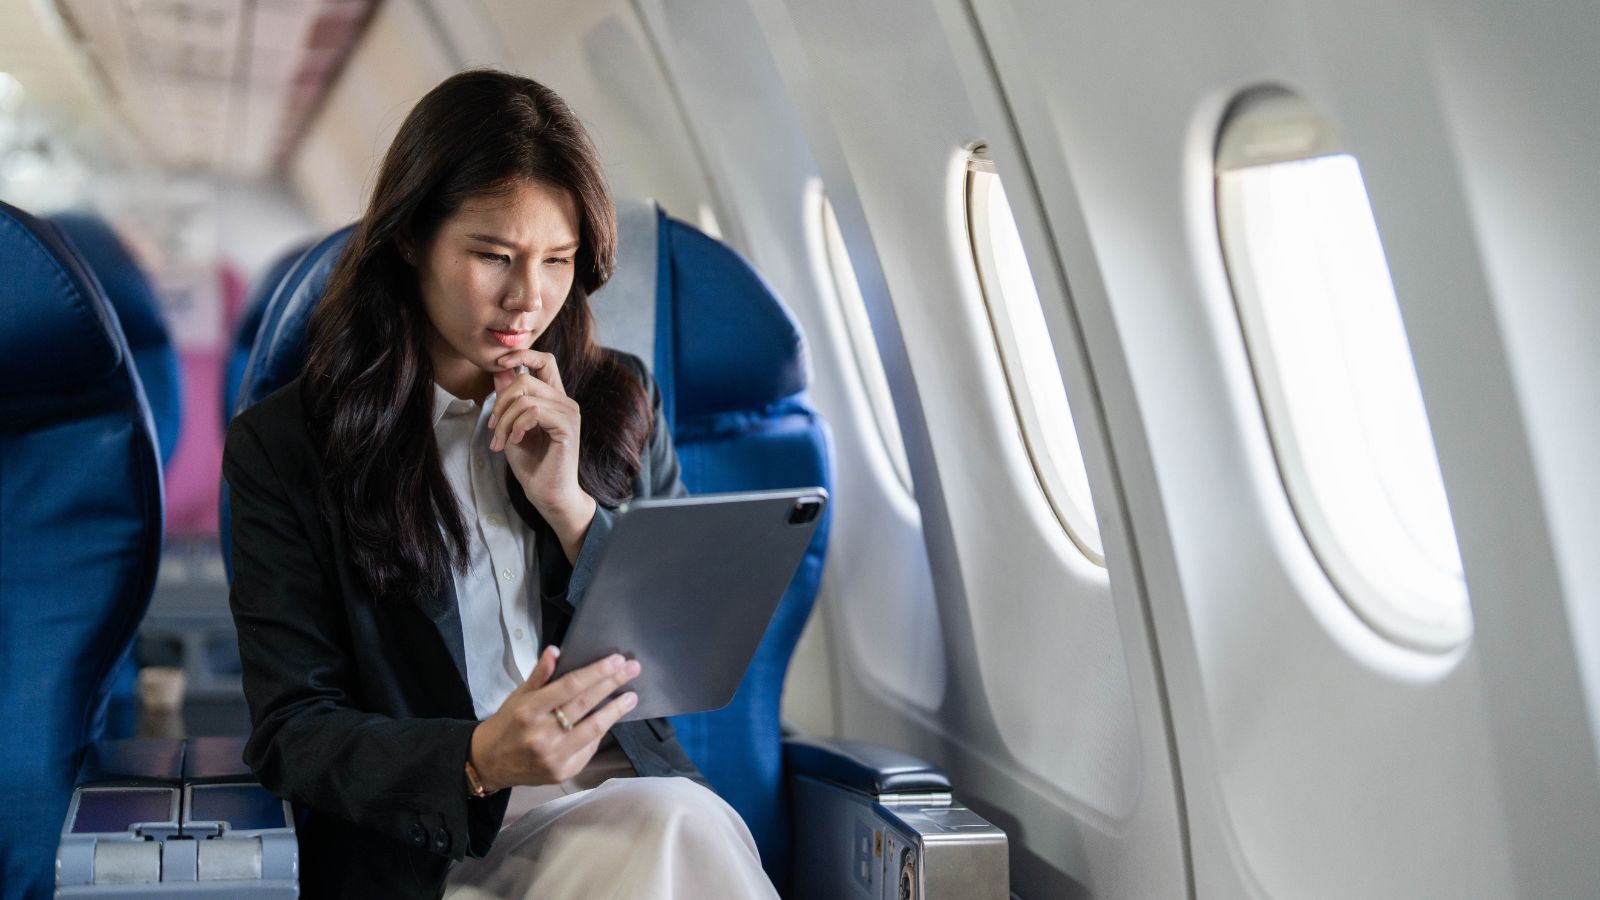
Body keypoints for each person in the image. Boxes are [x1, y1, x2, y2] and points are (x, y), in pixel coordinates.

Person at [223, 70, 779, 900]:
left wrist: (574, 512)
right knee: (678, 830)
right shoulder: (289, 447)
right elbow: (292, 734)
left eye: (557, 261)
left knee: (673, 822)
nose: (529, 298)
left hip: (625, 797)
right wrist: (481, 758)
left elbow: (683, 657)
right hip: (437, 844)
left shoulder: (619, 399)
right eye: (493, 257)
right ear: (411, 238)